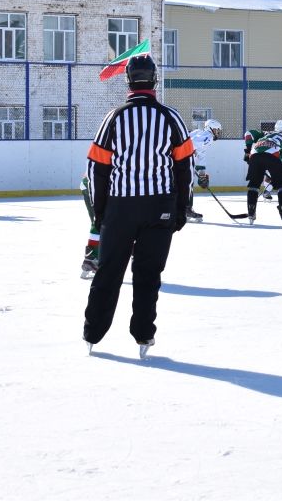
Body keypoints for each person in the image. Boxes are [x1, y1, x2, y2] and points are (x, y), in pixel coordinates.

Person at [82, 54, 194, 359]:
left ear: (129, 80)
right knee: (148, 275)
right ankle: (143, 334)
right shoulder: (171, 117)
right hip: (160, 206)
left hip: (120, 207)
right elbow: (185, 168)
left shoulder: (114, 118)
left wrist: (101, 210)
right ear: (154, 80)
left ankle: (93, 332)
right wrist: (182, 209)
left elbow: (96, 168)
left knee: (109, 271)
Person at [245, 119, 282, 225]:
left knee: (254, 185)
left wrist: (248, 150)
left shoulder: (266, 134)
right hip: (272, 157)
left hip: (254, 156)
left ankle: (251, 213)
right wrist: (276, 176)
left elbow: (248, 133)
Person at [184, 119, 223, 223]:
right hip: (185, 159)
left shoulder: (198, 132)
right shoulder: (208, 137)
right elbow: (191, 145)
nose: (217, 132)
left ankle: (184, 209)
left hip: (182, 159)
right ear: (210, 128)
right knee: (187, 185)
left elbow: (201, 155)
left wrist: (202, 174)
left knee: (186, 185)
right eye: (216, 129)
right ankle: (186, 210)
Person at [79, 175, 99, 279]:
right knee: (101, 222)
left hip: (89, 183)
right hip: (95, 184)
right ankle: (92, 260)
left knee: (99, 222)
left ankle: (93, 259)